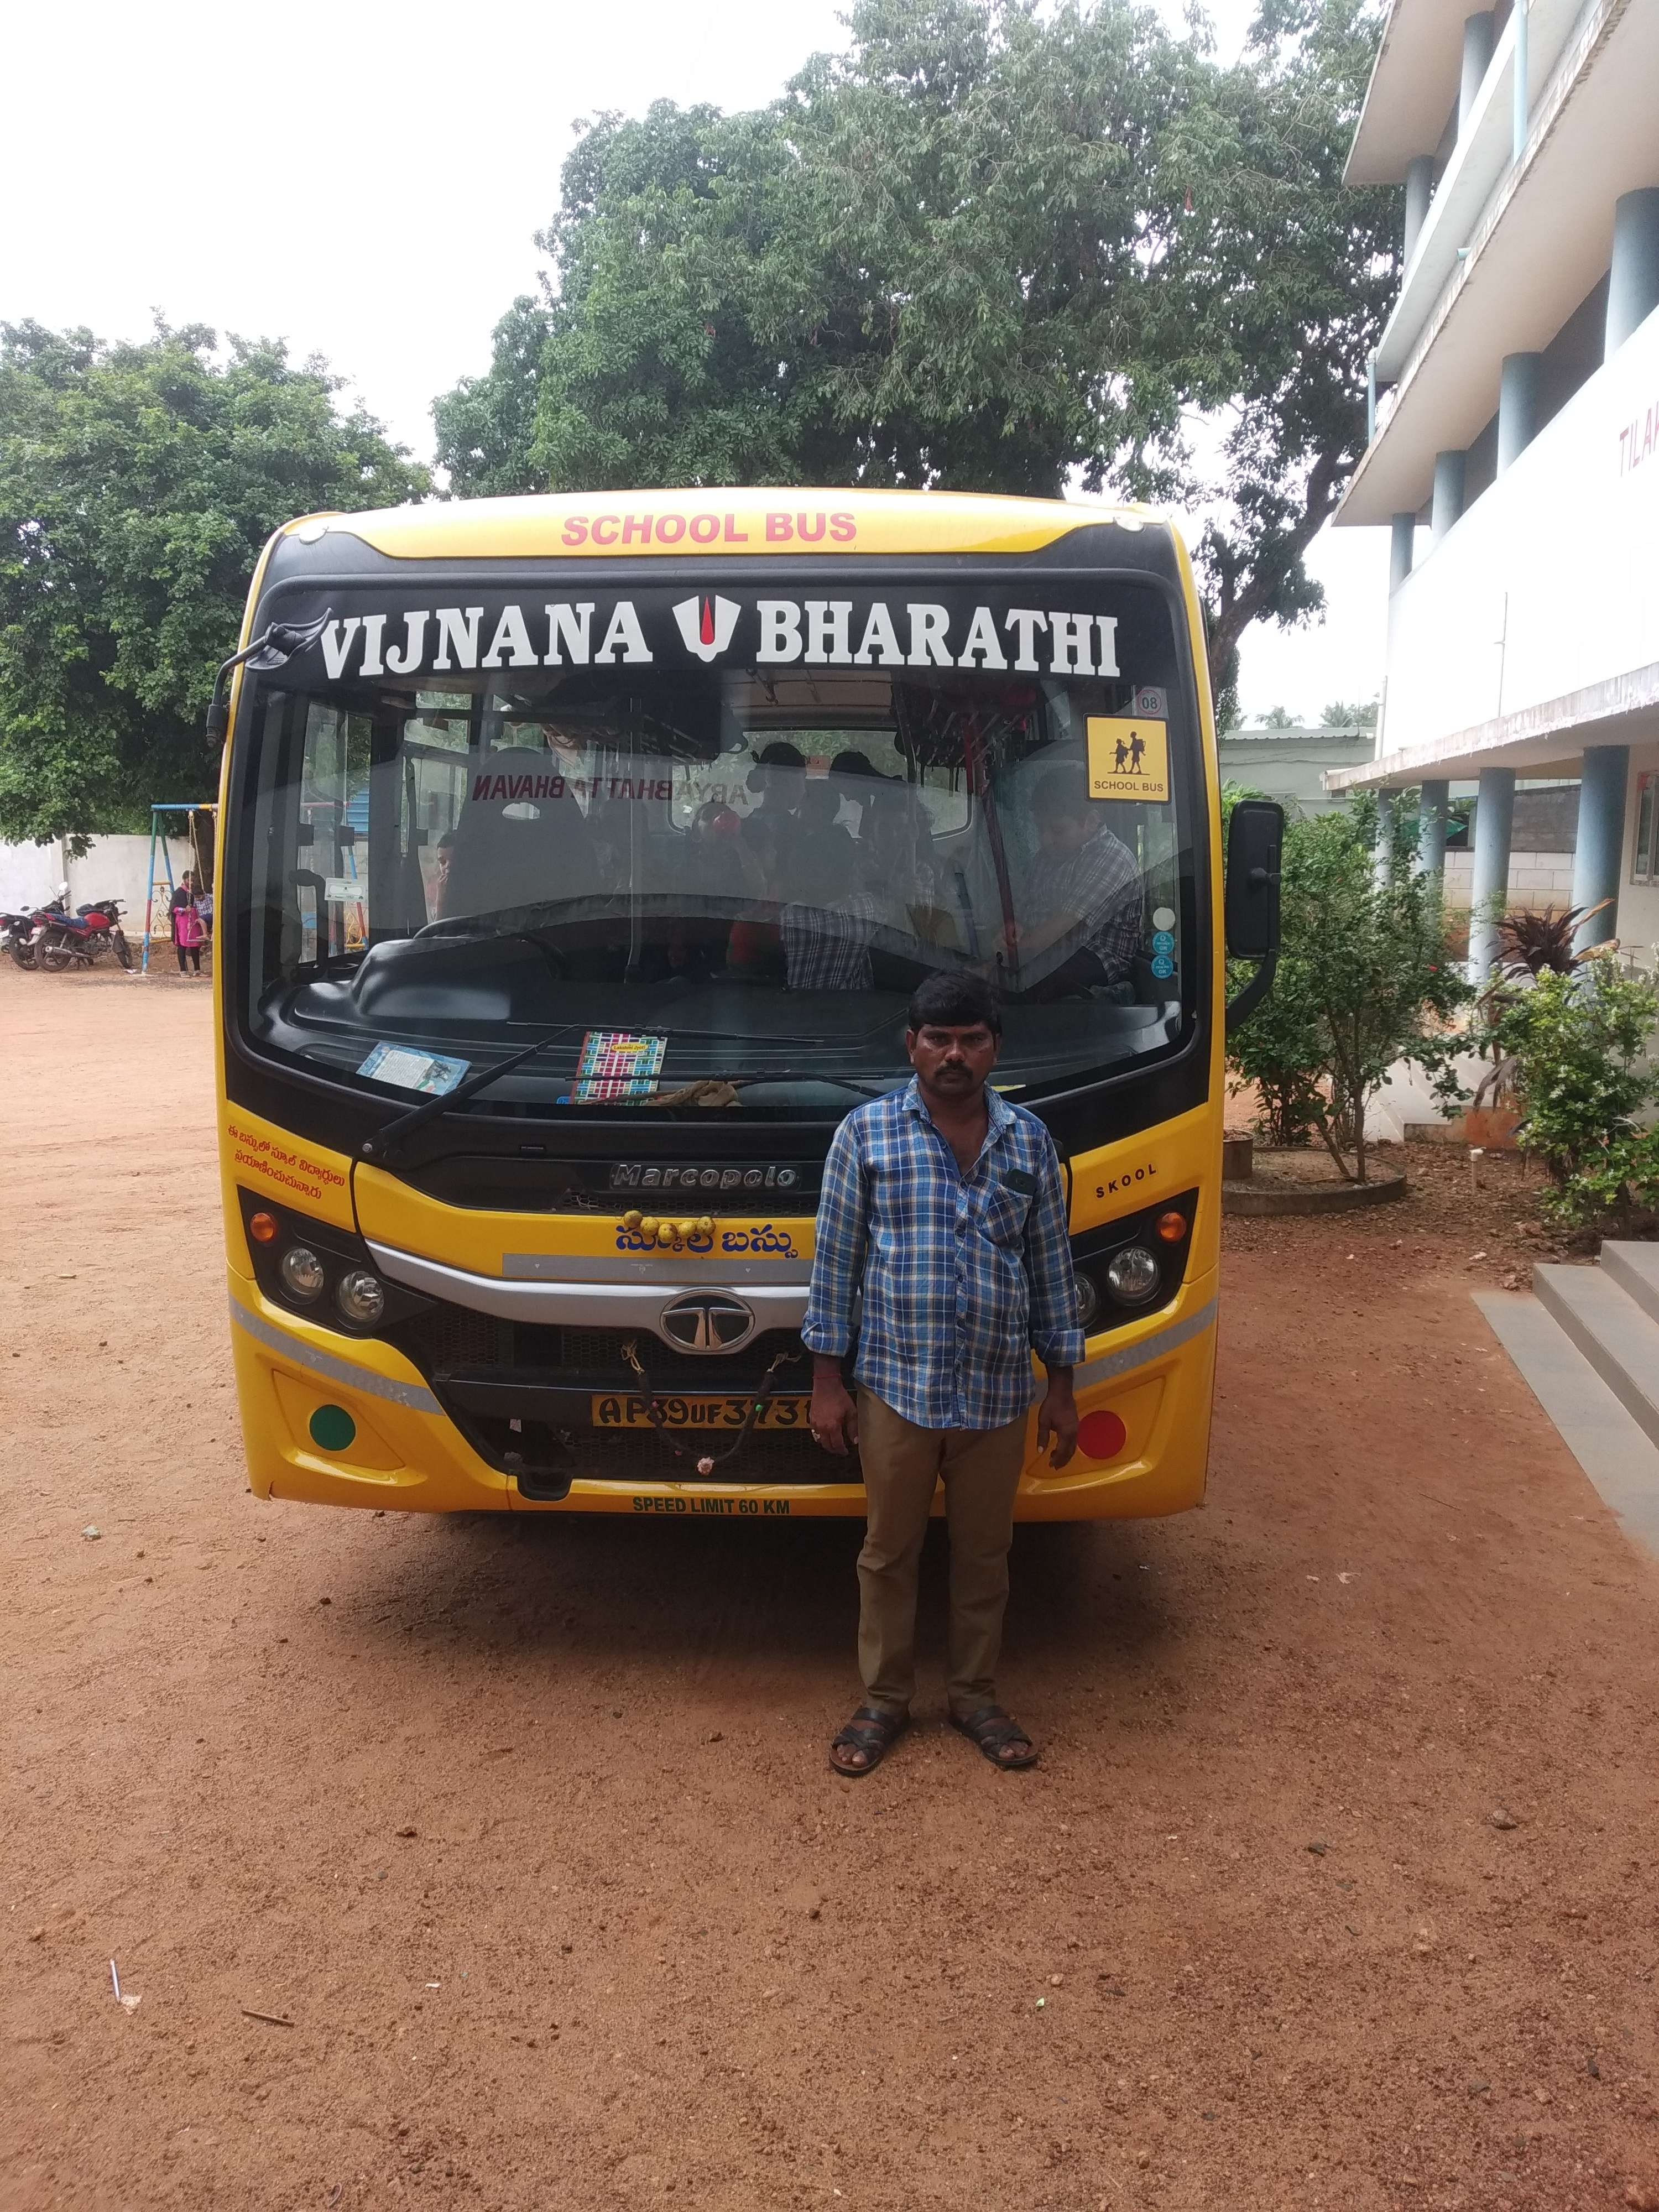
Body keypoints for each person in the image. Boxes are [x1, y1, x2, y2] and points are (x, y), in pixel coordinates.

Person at [804, 972, 1081, 1777]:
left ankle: (974, 1696)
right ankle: (884, 1700)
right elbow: (836, 1265)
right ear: (912, 1045)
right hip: (897, 1386)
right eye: (938, 1039)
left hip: (999, 1388)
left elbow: (1051, 1268)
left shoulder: (1030, 1141)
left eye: (971, 1039)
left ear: (995, 1047)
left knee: (985, 1555)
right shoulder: (866, 1134)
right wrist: (827, 1383)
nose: (954, 1054)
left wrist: (1062, 1388)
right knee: (888, 1552)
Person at [998, 764, 1142, 999]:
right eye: (1040, 829)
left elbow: (1065, 928)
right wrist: (1015, 930)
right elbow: (1025, 911)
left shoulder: (1112, 858)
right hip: (1042, 951)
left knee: (1029, 980)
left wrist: (1007, 956)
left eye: (1058, 830)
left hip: (1091, 958)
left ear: (1092, 822)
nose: (1045, 840)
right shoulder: (1044, 859)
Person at [170, 872, 206, 976]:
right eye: (189, 880)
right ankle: (183, 970)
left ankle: (197, 970)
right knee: (183, 945)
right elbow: (173, 908)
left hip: (194, 921)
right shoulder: (178, 893)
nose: (191, 883)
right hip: (183, 922)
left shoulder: (194, 892)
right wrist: (184, 910)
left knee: (195, 945)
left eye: (193, 880)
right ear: (184, 880)